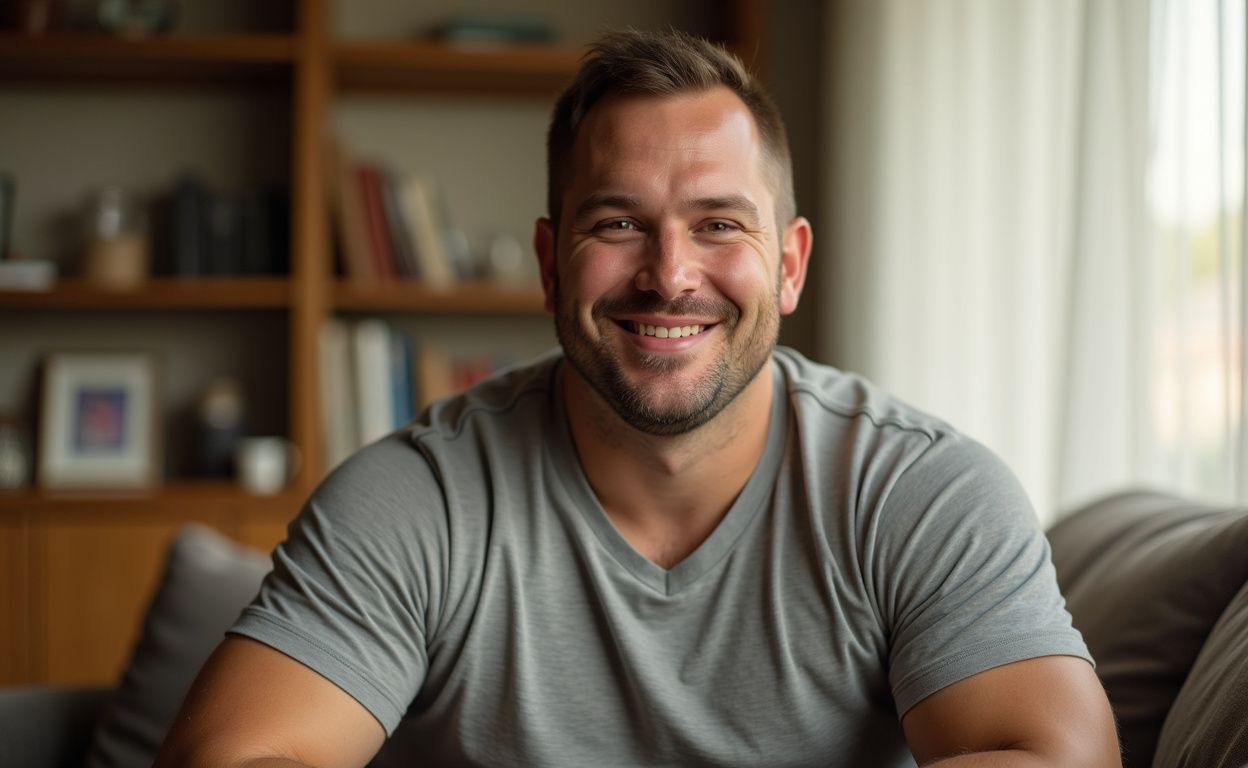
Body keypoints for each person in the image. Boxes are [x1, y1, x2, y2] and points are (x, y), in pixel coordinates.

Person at [157, 29, 1120, 767]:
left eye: (717, 224)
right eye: (619, 222)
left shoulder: (920, 490)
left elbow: (1058, 756)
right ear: (549, 263)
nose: (668, 275)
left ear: (788, 266)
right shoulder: (421, 497)